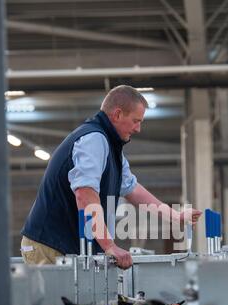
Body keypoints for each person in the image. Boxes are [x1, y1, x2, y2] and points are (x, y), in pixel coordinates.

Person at [21, 85, 202, 268]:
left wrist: (175, 217)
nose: (138, 128)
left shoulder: (110, 146)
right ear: (117, 114)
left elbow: (133, 189)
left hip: (64, 246)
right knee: (58, 297)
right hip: (49, 245)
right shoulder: (93, 139)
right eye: (135, 121)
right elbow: (85, 194)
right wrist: (109, 246)